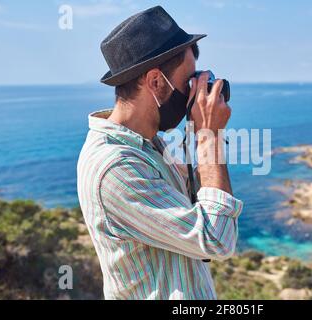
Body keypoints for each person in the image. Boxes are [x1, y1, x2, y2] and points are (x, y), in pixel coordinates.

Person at [77, 6, 243, 300]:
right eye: (188, 81)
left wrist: (202, 136)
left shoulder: (149, 144)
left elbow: (194, 208)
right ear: (155, 82)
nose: (194, 93)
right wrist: (209, 138)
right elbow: (217, 239)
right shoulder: (115, 167)